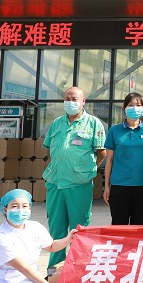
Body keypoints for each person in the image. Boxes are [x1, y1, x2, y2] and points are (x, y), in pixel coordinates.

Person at [41, 86, 106, 269]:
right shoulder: (56, 123)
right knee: (56, 228)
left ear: (83, 102)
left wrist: (88, 170)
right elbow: (52, 149)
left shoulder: (93, 123)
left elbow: (101, 153)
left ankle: (79, 267)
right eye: (67, 99)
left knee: (79, 229)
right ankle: (55, 269)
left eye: (74, 99)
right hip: (55, 182)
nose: (70, 102)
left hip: (79, 184)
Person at [104, 92, 143, 225]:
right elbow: (109, 160)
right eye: (131, 105)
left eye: (138, 105)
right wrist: (107, 186)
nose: (134, 108)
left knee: (139, 225)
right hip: (119, 186)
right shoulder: (114, 131)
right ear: (124, 108)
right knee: (118, 224)